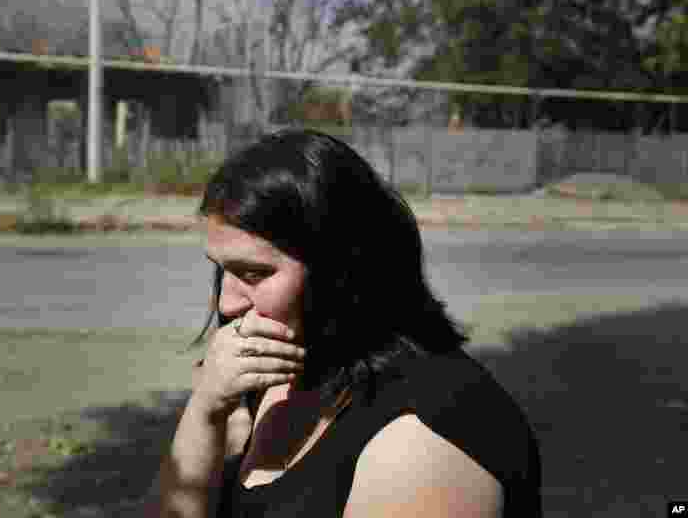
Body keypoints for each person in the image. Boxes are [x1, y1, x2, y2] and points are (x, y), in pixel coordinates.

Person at [141, 129, 541, 518]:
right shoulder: (274, 373)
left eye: (254, 274)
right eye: (222, 270)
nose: (226, 304)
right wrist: (205, 411)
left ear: (341, 270)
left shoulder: (421, 441)